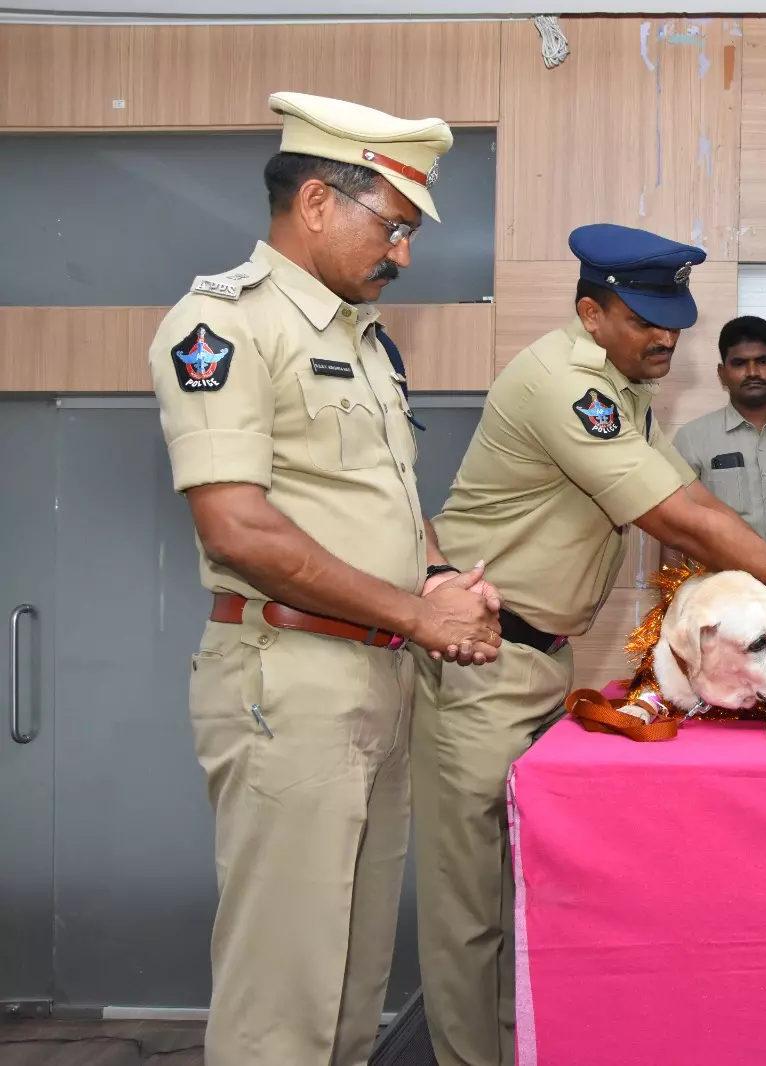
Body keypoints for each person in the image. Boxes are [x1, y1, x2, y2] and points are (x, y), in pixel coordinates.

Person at [412, 222, 766, 1066]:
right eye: (644, 318)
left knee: (529, 892)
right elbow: (673, 519)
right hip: (482, 655)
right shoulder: (567, 383)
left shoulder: (623, 391)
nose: (665, 335)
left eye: (673, 317)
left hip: (537, 658)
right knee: (472, 908)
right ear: (592, 313)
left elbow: (698, 505)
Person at [147, 91, 503, 1066]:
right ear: (315, 202)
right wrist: (415, 614)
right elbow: (239, 525)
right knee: (284, 993)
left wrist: (436, 580)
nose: (404, 254)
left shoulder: (359, 337)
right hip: (289, 680)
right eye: (392, 228)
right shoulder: (221, 324)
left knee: (348, 985)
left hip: (377, 677)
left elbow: (385, 495)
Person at [663, 316, 766, 566]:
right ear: (722, 374)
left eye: (763, 361)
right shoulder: (692, 438)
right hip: (721, 597)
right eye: (740, 363)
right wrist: (673, 597)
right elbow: (673, 529)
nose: (752, 372)